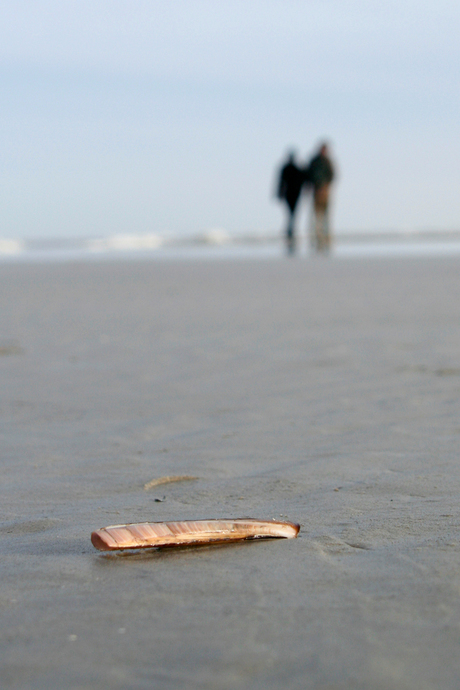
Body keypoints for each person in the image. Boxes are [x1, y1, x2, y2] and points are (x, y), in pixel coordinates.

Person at [306, 143, 335, 252]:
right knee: (317, 217)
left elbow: (332, 175)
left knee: (326, 217)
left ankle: (326, 239)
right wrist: (313, 186)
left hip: (325, 192)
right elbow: (308, 175)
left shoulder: (327, 162)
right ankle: (317, 239)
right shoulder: (315, 161)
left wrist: (325, 186)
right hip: (316, 191)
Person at [277, 151, 304, 253]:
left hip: (293, 194)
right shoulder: (290, 168)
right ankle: (290, 232)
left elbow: (303, 179)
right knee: (291, 214)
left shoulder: (293, 168)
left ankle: (291, 232)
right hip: (291, 194)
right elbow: (281, 181)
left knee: (292, 214)